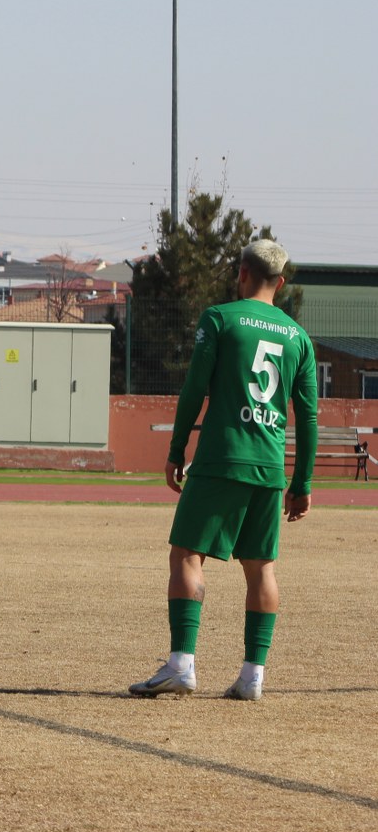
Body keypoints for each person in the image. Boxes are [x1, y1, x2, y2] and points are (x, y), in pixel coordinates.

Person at [130, 239, 318, 702]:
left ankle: (181, 666)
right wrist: (302, 483)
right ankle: (253, 676)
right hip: (269, 466)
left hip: (222, 457)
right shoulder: (299, 338)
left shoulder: (220, 318)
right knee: (261, 568)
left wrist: (176, 449)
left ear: (242, 273)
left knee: (187, 555)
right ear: (281, 282)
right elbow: (309, 416)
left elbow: (195, 387)